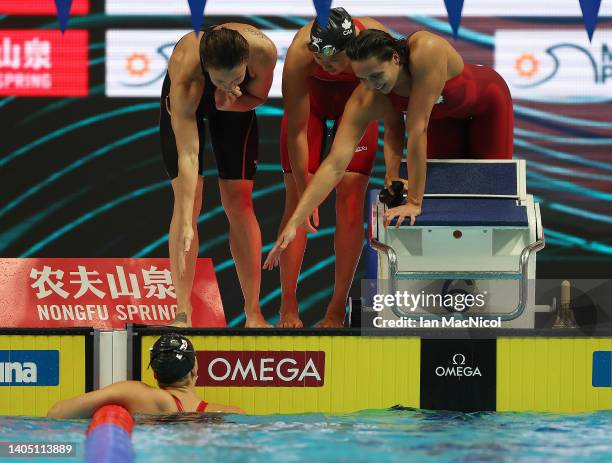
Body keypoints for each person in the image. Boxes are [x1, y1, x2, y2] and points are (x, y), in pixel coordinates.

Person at [264, 29, 513, 274]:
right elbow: (335, 163)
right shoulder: (369, 96)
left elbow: (416, 131)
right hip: (441, 120)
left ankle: (496, 285)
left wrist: (414, 202)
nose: (372, 85)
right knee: (442, 205)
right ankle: (454, 287)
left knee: (490, 199)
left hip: (487, 106)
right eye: (362, 78)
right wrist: (295, 221)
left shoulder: (426, 50)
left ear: (395, 58)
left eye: (375, 75)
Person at [273, 8, 405, 328]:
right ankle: (288, 304)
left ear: (353, 50)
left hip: (357, 103)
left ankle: (335, 308)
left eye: (333, 63)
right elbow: (297, 131)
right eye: (320, 63)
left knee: (349, 200)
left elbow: (393, 115)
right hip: (312, 108)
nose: (327, 69)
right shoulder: (299, 54)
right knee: (296, 204)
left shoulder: (376, 44)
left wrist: (392, 172)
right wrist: (307, 194)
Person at [160, 24, 277, 328]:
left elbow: (259, 96)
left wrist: (234, 100)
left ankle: (253, 313)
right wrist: (187, 218)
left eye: (237, 77)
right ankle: (182, 313)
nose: (228, 84)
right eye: (220, 80)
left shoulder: (263, 52)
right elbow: (188, 153)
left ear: (246, 62)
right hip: (192, 100)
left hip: (238, 104)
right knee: (188, 203)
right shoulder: (186, 76)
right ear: (208, 72)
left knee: (239, 200)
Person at [47, 334, 244, 418]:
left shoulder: (136, 394)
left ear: (155, 373)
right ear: (195, 369)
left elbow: (57, 413)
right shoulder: (231, 414)